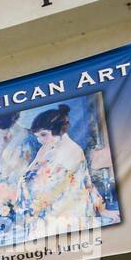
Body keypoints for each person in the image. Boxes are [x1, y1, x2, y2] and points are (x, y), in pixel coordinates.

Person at [20, 103, 111, 241]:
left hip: (69, 215)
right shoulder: (50, 149)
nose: (40, 140)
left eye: (43, 135)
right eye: (37, 136)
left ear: (58, 130)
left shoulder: (71, 151)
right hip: (58, 213)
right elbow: (27, 178)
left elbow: (82, 183)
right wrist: (38, 158)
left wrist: (102, 209)